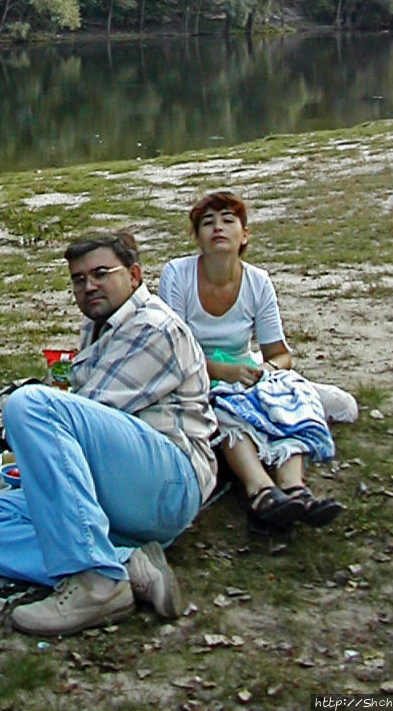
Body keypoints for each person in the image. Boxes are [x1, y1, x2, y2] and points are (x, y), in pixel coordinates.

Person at [0, 230, 218, 638]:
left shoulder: (154, 327)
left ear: (135, 275)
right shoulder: (99, 327)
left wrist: (0, 439)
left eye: (101, 273)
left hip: (167, 485)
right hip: (115, 491)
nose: (88, 286)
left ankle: (96, 583)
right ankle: (125, 563)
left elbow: (90, 411)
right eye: (78, 279)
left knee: (28, 403)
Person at [158, 191, 343, 535]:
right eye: (207, 222)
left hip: (246, 370)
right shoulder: (177, 275)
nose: (218, 228)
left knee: (294, 396)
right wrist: (222, 372)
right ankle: (261, 491)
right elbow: (171, 352)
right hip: (193, 376)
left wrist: (267, 373)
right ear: (197, 238)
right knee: (229, 408)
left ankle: (294, 487)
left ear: (244, 235)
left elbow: (279, 354)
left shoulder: (258, 281)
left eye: (228, 220)